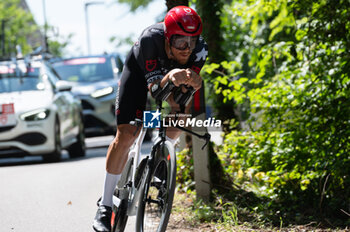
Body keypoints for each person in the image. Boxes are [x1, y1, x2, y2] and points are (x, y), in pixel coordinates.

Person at [93, 5, 208, 232]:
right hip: (138, 75)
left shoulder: (199, 50)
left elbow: (179, 97)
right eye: (180, 42)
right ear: (167, 39)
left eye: (191, 42)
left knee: (180, 115)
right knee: (127, 133)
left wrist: (192, 85)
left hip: (169, 78)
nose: (186, 49)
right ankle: (105, 206)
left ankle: (162, 157)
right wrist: (170, 77)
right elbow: (156, 91)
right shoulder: (150, 40)